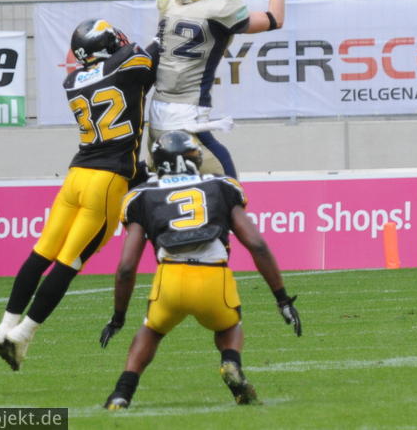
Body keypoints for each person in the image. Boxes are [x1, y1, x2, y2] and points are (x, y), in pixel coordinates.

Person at [0, 19, 158, 371]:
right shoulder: (126, 62)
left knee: (42, 252)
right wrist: (165, 31)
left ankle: (5, 325)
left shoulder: (72, 81)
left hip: (76, 177)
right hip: (106, 182)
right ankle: (23, 335)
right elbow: (147, 59)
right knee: (68, 262)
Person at [98, 130, 302, 409]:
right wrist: (282, 299)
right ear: (193, 158)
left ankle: (121, 394)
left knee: (151, 331)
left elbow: (125, 267)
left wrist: (118, 317)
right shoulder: (220, 185)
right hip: (213, 278)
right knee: (229, 327)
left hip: (169, 280)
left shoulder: (142, 195)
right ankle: (230, 362)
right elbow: (257, 245)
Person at [148, 0, 294, 178]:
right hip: (188, 116)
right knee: (227, 185)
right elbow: (274, 19)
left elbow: (205, 3)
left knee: (164, 186)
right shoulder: (218, 12)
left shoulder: (169, 3)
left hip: (157, 115)